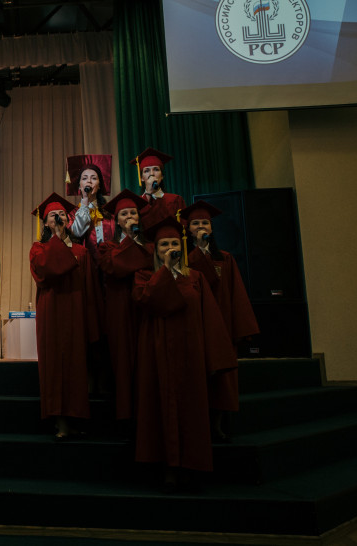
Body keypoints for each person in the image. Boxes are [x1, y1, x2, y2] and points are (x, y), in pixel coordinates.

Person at [132, 214, 236, 490]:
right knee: (160, 408)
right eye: (164, 245)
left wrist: (214, 358)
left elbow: (209, 317)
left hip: (190, 353)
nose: (170, 249)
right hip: (158, 354)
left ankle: (191, 464)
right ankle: (167, 467)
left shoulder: (196, 277)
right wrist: (165, 270)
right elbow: (147, 299)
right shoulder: (144, 276)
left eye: (174, 244)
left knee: (191, 409)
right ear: (155, 249)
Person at [180, 200, 260, 441]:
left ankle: (218, 425)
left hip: (222, 326)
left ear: (211, 228)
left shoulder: (225, 259)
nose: (200, 227)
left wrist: (240, 327)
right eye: (195, 223)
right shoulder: (184, 260)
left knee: (223, 381)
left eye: (205, 223)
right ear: (188, 229)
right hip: (198, 325)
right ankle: (199, 426)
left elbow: (237, 294)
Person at [29, 193, 102, 440]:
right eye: (53, 215)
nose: (58, 217)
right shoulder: (38, 250)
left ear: (68, 220)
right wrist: (58, 240)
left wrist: (91, 322)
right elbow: (45, 272)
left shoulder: (81, 251)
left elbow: (90, 289)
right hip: (51, 315)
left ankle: (75, 419)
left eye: (62, 214)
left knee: (76, 366)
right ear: (45, 223)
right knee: (55, 367)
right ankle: (59, 421)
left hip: (76, 313)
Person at [96, 190, 151, 421]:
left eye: (133, 213)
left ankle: (148, 417)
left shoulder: (150, 246)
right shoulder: (106, 247)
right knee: (122, 362)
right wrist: (130, 242)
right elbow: (114, 267)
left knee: (146, 362)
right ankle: (127, 417)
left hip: (145, 310)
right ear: (117, 220)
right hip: (119, 310)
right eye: (124, 214)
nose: (130, 217)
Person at [66, 154, 116, 263]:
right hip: (86, 265)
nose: (89, 181)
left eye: (93, 178)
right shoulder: (72, 214)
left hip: (109, 264)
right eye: (84, 178)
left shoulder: (109, 213)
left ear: (99, 185)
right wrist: (85, 200)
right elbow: (77, 233)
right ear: (79, 186)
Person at [129, 148, 186, 229]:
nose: (151, 174)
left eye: (156, 169)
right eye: (146, 171)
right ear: (141, 178)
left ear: (162, 176)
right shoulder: (136, 203)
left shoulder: (175, 200)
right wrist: (149, 193)